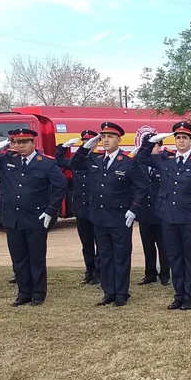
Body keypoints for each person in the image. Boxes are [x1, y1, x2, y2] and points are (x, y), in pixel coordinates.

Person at [134, 121, 191, 311]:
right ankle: (178, 294)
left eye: (184, 138)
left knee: (190, 258)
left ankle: (189, 296)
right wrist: (150, 142)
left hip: (189, 217)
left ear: (190, 140)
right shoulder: (166, 158)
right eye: (178, 138)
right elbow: (140, 159)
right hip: (168, 217)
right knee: (174, 257)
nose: (181, 141)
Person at [0, 128, 67, 306]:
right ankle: (23, 292)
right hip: (13, 217)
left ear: (33, 143)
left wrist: (51, 210)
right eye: (16, 142)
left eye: (24, 142)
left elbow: (61, 187)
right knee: (18, 258)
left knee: (36, 258)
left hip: (36, 217)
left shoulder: (45, 163)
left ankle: (38, 294)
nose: (19, 146)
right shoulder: (7, 159)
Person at [67, 122, 148, 307]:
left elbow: (143, 187)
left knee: (120, 255)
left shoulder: (128, 161)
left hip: (120, 217)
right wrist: (88, 145)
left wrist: (133, 209)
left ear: (119, 139)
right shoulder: (94, 159)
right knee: (105, 256)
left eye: (110, 137)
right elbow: (74, 164)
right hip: (99, 216)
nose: (105, 140)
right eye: (103, 136)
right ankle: (108, 291)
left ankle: (121, 293)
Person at [56, 130, 100, 286]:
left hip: (96, 208)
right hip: (81, 208)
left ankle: (98, 273)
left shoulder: (99, 160)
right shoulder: (75, 161)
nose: (87, 145)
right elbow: (57, 160)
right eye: (84, 142)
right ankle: (89, 271)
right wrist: (64, 146)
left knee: (100, 244)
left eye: (90, 143)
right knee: (86, 243)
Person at [135, 136, 170, 286]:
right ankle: (150, 274)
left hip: (160, 213)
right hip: (144, 212)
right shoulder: (140, 164)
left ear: (159, 147)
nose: (152, 149)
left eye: (154, 146)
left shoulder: (163, 164)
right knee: (147, 246)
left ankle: (165, 274)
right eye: (149, 146)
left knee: (163, 246)